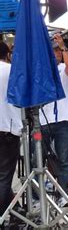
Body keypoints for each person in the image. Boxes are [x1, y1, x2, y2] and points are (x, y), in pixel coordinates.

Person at [39, 35, 68, 203]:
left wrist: (63, 47)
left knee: (63, 159)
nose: (56, 54)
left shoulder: (63, 69)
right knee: (38, 158)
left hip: (64, 120)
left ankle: (62, 195)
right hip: (43, 120)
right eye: (53, 50)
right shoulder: (40, 70)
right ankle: (38, 195)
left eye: (57, 51)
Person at [0, 41, 22, 219]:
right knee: (4, 177)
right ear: (7, 54)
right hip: (8, 129)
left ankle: (14, 211)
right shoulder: (11, 71)